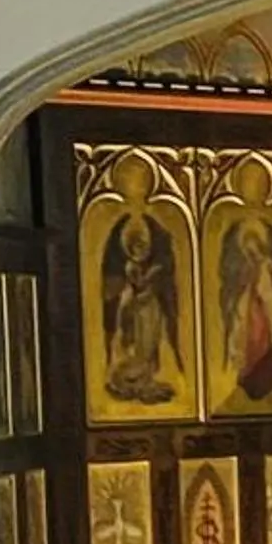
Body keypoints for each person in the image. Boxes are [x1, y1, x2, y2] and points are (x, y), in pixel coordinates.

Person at [98, 158, 182, 407]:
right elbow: (111, 277)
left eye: (140, 184)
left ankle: (149, 376)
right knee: (131, 338)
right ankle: (129, 377)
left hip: (150, 304)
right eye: (131, 183)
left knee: (148, 340)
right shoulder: (118, 230)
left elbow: (166, 269)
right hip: (131, 302)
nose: (136, 189)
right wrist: (127, 286)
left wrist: (151, 282)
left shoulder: (158, 230)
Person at [217, 165, 272, 405]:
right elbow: (228, 275)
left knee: (264, 338)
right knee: (247, 340)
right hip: (247, 303)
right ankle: (247, 375)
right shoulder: (234, 234)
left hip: (263, 302)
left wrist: (266, 269)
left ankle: (269, 376)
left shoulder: (271, 235)